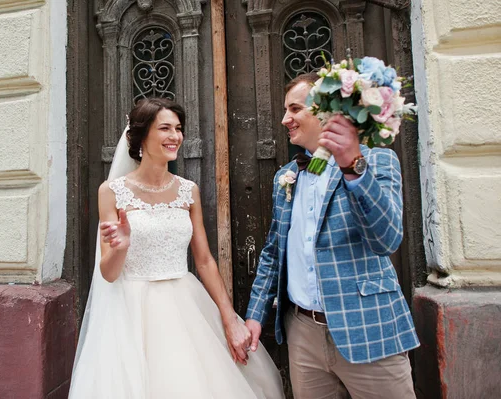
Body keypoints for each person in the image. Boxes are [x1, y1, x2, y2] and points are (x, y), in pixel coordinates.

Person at [68, 97, 284, 399]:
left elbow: (205, 260)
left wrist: (228, 318)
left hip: (186, 305)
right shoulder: (111, 192)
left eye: (179, 129)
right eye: (166, 128)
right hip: (132, 312)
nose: (175, 137)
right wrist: (121, 247)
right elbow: (108, 273)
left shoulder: (188, 190)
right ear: (142, 136)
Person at [245, 74, 420, 399]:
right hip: (303, 335)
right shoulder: (287, 176)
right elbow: (273, 252)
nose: (285, 119)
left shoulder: (376, 161)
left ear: (325, 111)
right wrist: (255, 316)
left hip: (369, 330)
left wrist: (352, 167)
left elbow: (388, 238)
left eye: (294, 109)